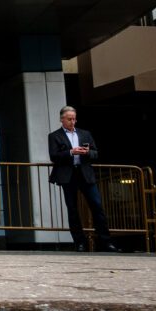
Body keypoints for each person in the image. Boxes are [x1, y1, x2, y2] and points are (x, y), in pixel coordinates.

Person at [48, 106, 121, 253]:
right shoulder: (54, 136)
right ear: (62, 119)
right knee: (73, 209)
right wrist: (70, 152)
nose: (72, 122)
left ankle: (106, 242)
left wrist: (87, 152)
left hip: (85, 174)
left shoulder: (85, 134)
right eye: (69, 119)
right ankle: (79, 243)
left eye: (74, 119)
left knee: (97, 206)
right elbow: (54, 156)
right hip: (68, 175)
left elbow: (95, 153)